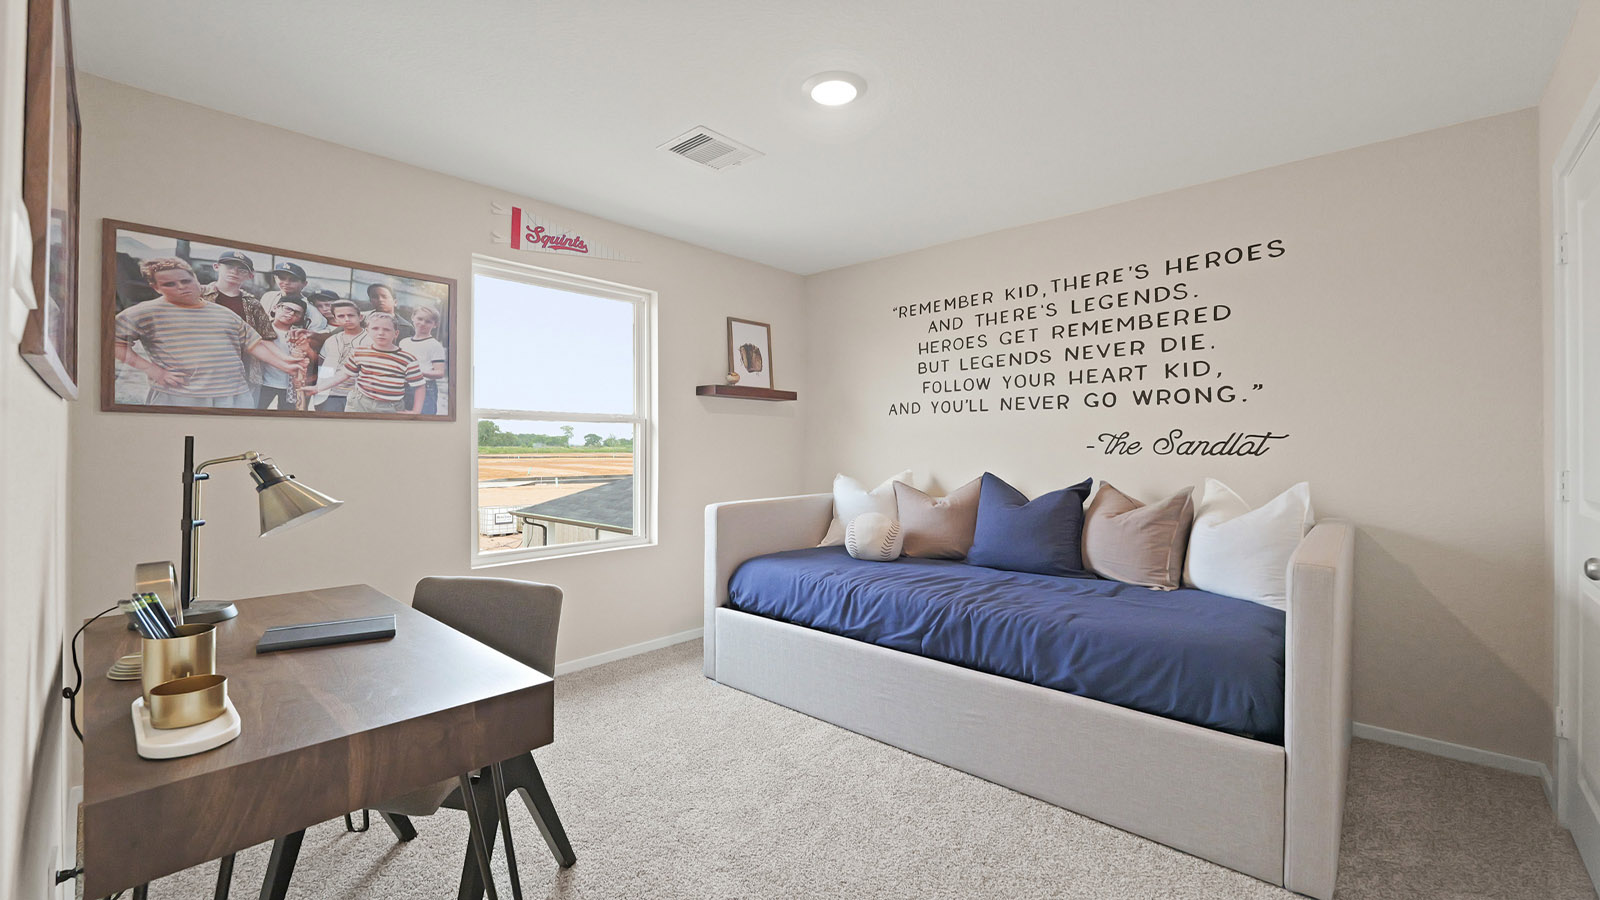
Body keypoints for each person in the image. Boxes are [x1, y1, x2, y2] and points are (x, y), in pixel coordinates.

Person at [113, 257, 306, 408]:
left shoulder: (223, 312)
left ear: (195, 278)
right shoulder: (144, 313)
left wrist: (287, 364)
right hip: (180, 396)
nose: (181, 287)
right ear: (156, 287)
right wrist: (154, 371)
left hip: (234, 395)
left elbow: (254, 343)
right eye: (169, 284)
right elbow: (115, 343)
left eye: (185, 280)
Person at [202, 250, 274, 404]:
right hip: (203, 370)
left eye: (242, 269)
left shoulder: (253, 304)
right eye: (229, 266)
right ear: (216, 266)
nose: (234, 272)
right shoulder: (198, 295)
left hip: (244, 373)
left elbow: (266, 339)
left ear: (251, 275)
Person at [315, 312, 423, 414]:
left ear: (396, 333)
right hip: (359, 403)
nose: (380, 333)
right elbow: (343, 375)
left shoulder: (407, 359)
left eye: (387, 330)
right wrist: (318, 388)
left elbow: (419, 386)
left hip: (390, 407)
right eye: (375, 328)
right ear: (367, 331)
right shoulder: (359, 352)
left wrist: (416, 410)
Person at [309, 299, 366, 413]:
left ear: (360, 317)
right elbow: (323, 367)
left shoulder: (371, 339)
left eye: (351, 315)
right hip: (331, 395)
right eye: (341, 316)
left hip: (359, 396)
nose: (346, 319)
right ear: (335, 319)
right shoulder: (331, 340)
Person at [257, 296, 310, 411]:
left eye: (297, 313)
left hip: (289, 387)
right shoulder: (260, 329)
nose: (291, 314)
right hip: (263, 383)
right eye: (287, 309)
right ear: (275, 308)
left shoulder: (298, 335)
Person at [399, 304, 446, 415]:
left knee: (424, 420)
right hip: (404, 387)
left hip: (426, 388)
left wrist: (417, 372)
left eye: (428, 321)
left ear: (435, 325)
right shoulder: (404, 342)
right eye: (420, 319)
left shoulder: (435, 345)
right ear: (413, 317)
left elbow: (439, 372)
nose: (423, 323)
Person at [261, 261, 329, 331]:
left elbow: (317, 337)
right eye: (282, 278)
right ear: (275, 278)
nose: (286, 282)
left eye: (293, 280)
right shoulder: (268, 297)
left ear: (304, 284)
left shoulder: (311, 310)